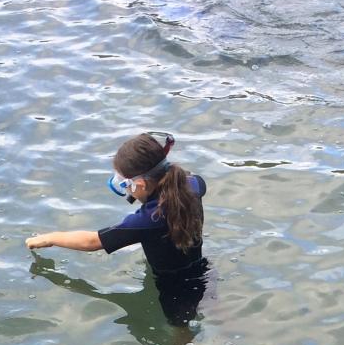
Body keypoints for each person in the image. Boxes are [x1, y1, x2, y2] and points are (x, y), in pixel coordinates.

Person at [25, 132, 209, 326]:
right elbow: (190, 180)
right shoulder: (194, 185)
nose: (126, 191)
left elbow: (92, 242)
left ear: (140, 184)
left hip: (173, 288)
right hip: (199, 266)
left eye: (124, 185)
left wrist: (50, 238)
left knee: (180, 331)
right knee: (208, 304)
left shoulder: (145, 221)